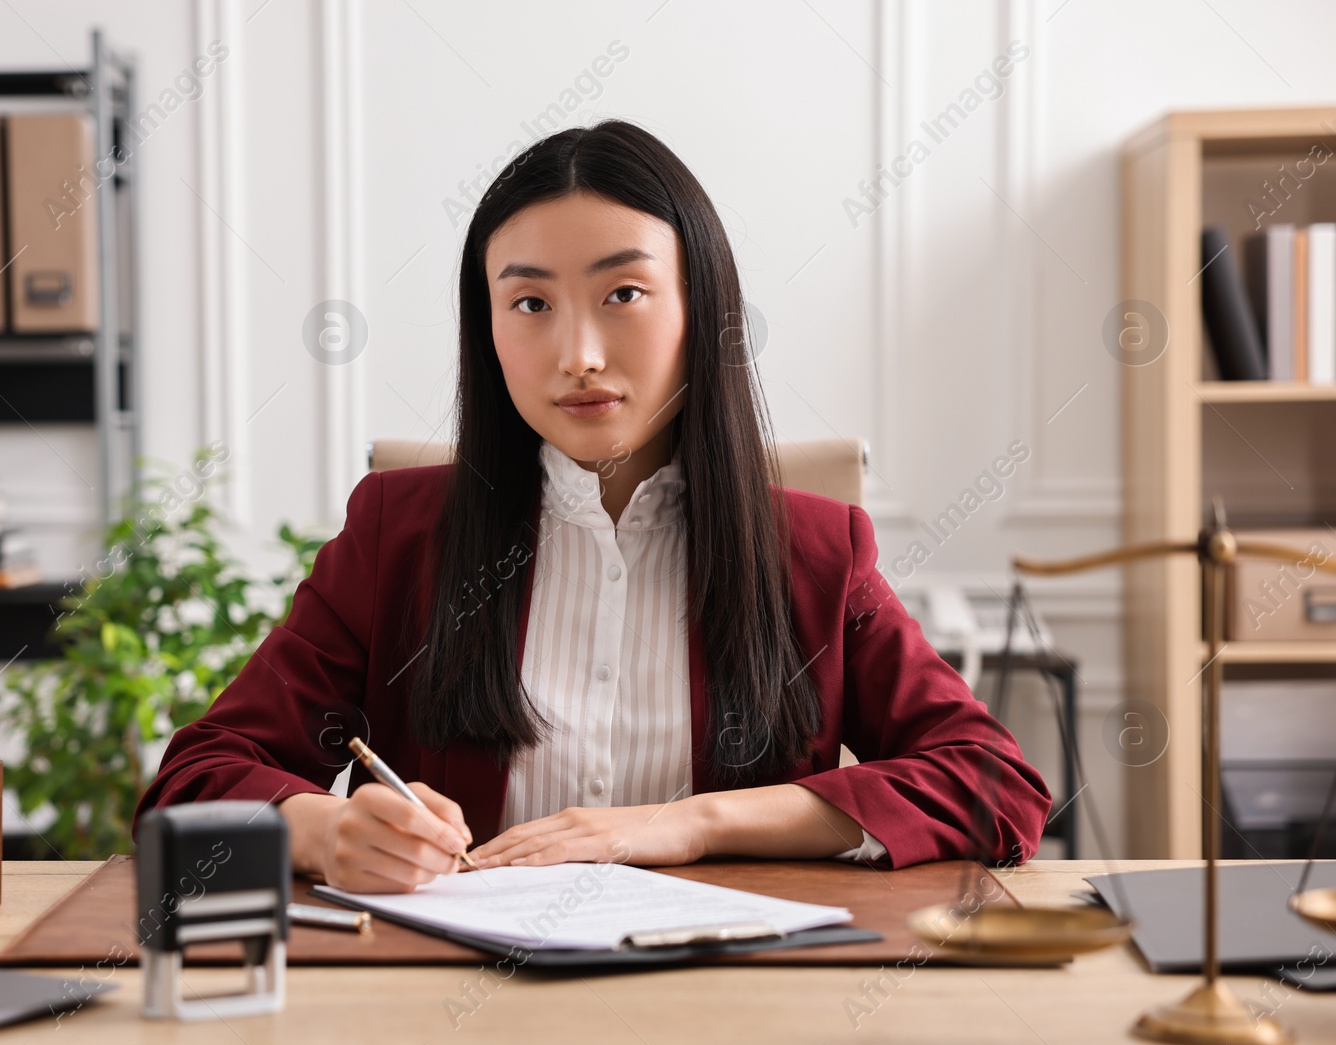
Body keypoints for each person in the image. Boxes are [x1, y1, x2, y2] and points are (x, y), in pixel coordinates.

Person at [134, 120, 1050, 893]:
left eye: (623, 293)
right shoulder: (397, 537)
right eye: (530, 301)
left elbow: (992, 783)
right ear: (486, 330)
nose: (577, 353)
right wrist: (324, 830)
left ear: (702, 306)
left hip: (742, 1006)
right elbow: (195, 780)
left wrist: (688, 825)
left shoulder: (811, 551)